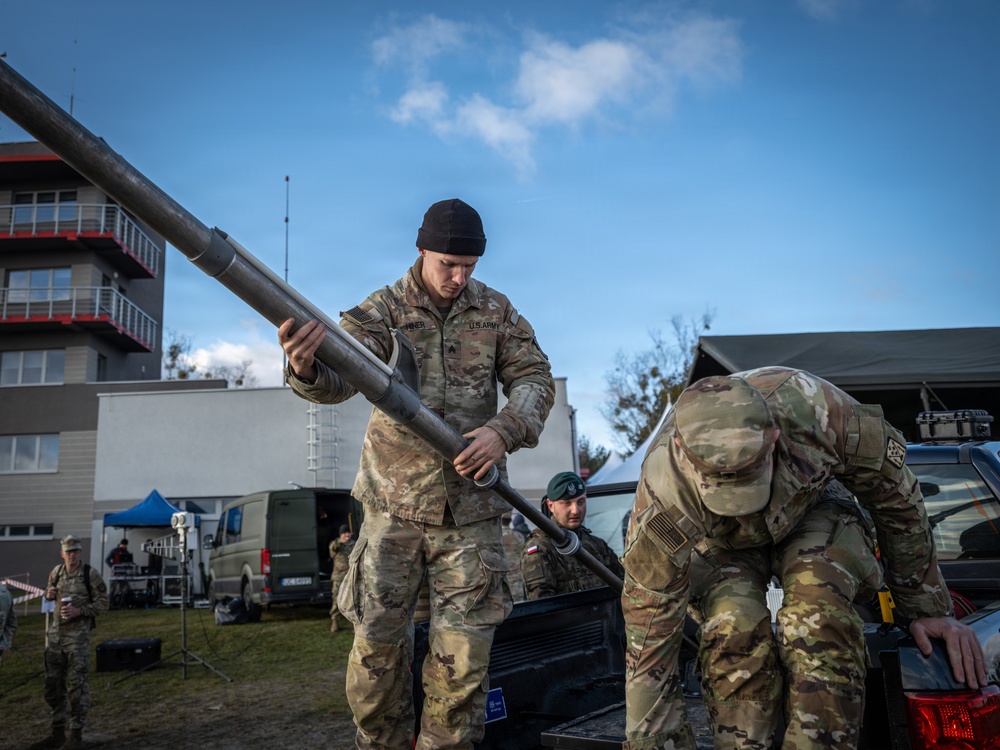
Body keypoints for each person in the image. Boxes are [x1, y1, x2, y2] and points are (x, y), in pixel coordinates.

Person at [278, 197, 555, 749]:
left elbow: (535, 379)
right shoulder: (382, 310)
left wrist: (503, 429)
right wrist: (304, 366)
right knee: (376, 664)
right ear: (421, 250)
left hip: (471, 517)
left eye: (468, 267)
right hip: (393, 512)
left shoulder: (496, 312)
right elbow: (340, 376)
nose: (457, 278)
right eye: (446, 265)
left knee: (461, 674)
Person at [622, 368, 987, 750]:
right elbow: (649, 638)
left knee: (818, 613)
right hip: (720, 541)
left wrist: (925, 607)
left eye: (749, 475)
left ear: (775, 435)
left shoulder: (821, 411)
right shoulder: (662, 495)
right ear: (680, 448)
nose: (740, 497)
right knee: (733, 624)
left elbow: (894, 496)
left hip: (812, 508)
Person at [30, 535, 109, 750]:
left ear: (80, 552)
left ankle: (76, 735)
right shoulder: (56, 573)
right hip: (55, 637)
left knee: (76, 687)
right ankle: (57, 732)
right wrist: (48, 594)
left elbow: (103, 603)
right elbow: (48, 595)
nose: (72, 555)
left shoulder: (89, 574)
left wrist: (80, 611)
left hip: (77, 639)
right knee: (53, 686)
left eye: (75, 551)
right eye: (68, 551)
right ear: (62, 553)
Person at [521, 471, 624, 599]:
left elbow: (624, 588)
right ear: (551, 505)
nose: (575, 510)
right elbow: (543, 609)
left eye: (580, 502)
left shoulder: (598, 545)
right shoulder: (540, 549)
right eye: (567, 503)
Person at [329, 524, 356, 633]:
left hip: (351, 576)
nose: (346, 535)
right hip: (339, 577)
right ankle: (335, 621)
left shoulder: (354, 544)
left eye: (348, 532)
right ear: (340, 535)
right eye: (344, 533)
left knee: (353, 599)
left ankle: (355, 623)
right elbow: (332, 549)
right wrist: (341, 541)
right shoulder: (336, 544)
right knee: (336, 599)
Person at [501, 512, 528, 601]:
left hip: (501, 582)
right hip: (517, 580)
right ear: (510, 521)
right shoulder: (518, 537)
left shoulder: (495, 539)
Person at [0, 580, 16, 668]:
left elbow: (11, 623)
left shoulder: (4, 594)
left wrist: (4, 645)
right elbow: (11, 623)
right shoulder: (4, 593)